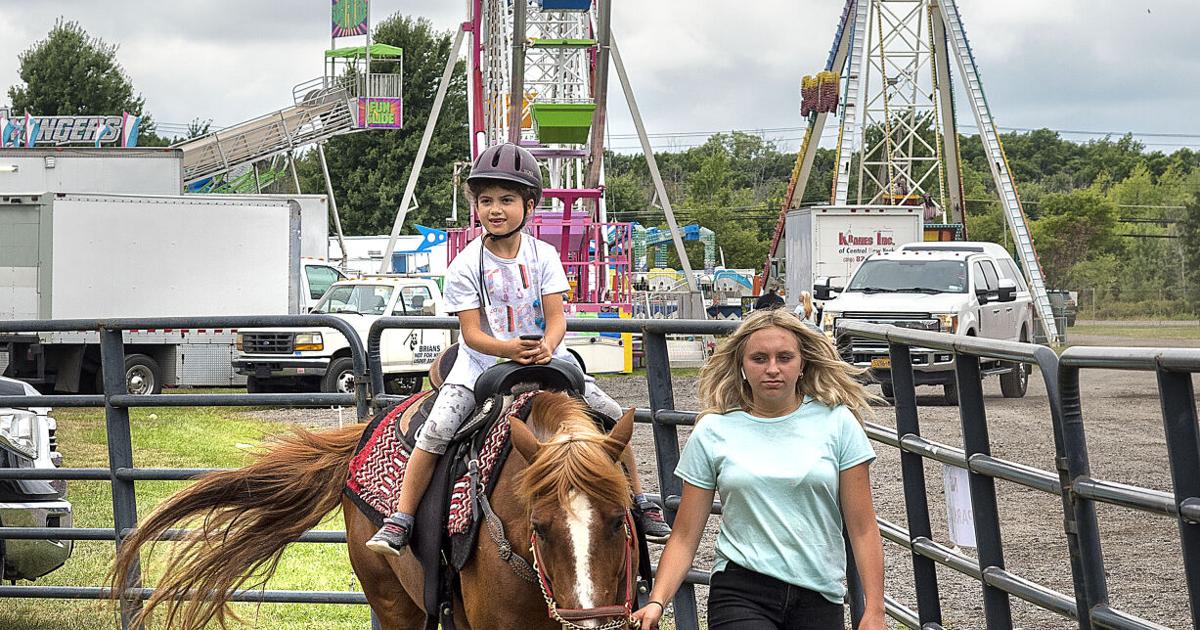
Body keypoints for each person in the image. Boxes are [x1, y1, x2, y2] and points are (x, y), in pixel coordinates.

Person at [367, 143, 670, 555]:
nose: (495, 209)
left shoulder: (544, 256)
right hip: (482, 361)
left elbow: (556, 318)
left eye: (506, 200)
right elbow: (471, 334)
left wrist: (548, 345)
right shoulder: (464, 265)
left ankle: (640, 498)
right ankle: (401, 517)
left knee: (610, 412)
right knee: (437, 428)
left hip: (545, 355)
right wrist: (507, 348)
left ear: (529, 205)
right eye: (486, 200)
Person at [632, 308, 885, 630]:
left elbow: (863, 528)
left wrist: (875, 610)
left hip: (820, 593)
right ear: (742, 365)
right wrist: (656, 601)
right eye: (759, 359)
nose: (773, 369)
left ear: (802, 364)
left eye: (785, 358)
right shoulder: (713, 430)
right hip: (740, 590)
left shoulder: (838, 423)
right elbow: (684, 535)